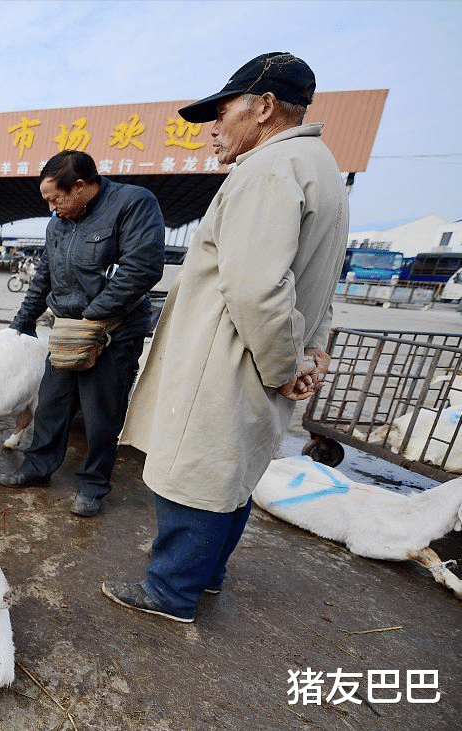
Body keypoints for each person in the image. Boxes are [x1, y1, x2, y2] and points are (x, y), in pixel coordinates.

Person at [106, 52, 347, 622]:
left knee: (197, 475)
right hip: (270, 357)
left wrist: (287, 364)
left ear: (263, 107)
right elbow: (317, 282)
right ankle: (206, 575)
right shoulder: (321, 167)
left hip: (231, 360)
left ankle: (170, 591)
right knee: (234, 474)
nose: (214, 127)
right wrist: (310, 350)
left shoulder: (266, 171)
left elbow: (259, 290)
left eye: (223, 111)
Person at [0, 150, 164, 518]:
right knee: (52, 401)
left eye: (56, 199)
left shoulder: (133, 204)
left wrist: (93, 317)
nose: (52, 208)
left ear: (82, 186)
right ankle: (38, 467)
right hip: (68, 331)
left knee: (101, 413)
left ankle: (92, 484)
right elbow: (44, 276)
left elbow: (142, 268)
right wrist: (22, 322)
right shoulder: (57, 225)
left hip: (112, 332)